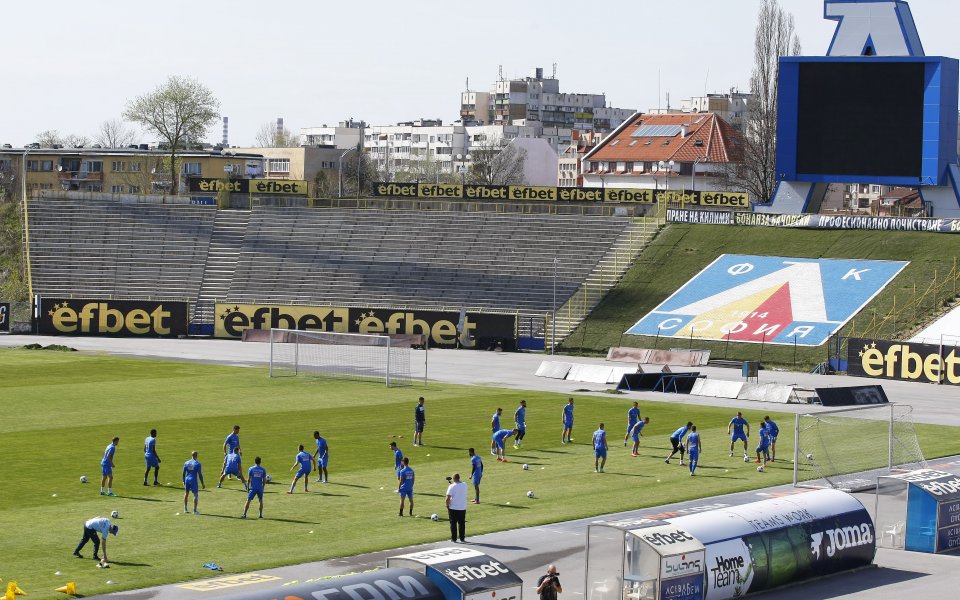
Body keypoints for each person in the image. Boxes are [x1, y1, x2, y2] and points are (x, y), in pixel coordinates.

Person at [445, 472, 468, 542]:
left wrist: (447, 505)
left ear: (454, 479)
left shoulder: (451, 486)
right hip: (462, 507)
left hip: (453, 508)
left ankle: (454, 538)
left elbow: (447, 498)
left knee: (453, 523)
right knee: (462, 523)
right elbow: (459, 488)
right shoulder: (465, 485)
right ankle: (462, 538)